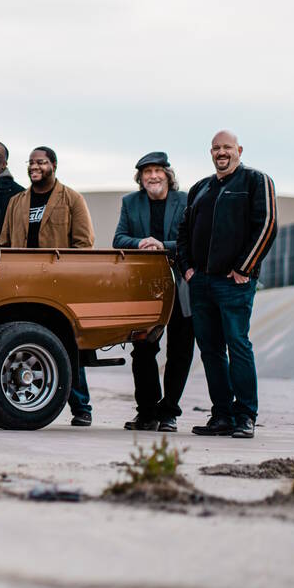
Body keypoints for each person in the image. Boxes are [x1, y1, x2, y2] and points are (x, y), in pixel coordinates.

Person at [177, 131, 277, 439]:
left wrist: (243, 268)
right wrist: (188, 270)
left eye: (227, 148)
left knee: (238, 344)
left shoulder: (256, 181)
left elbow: (267, 225)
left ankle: (245, 415)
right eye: (217, 148)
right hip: (201, 283)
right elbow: (183, 233)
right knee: (210, 350)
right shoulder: (200, 188)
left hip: (234, 282)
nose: (222, 152)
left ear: (239, 150)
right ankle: (221, 415)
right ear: (211, 152)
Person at [0, 146, 96, 425]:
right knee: (27, 342)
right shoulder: (17, 201)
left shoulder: (72, 199)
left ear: (53, 165)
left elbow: (83, 244)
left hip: (58, 285)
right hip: (20, 284)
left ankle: (81, 407)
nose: (34, 167)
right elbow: (4, 243)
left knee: (66, 345)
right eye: (30, 162)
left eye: (40, 162)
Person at [113, 152, 194, 432]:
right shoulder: (130, 202)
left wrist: (164, 245)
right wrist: (142, 243)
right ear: (141, 178)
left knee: (180, 349)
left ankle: (169, 412)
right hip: (146, 286)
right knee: (144, 349)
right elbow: (118, 239)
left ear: (168, 174)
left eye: (158, 171)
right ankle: (147, 413)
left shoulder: (185, 201)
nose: (153, 176)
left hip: (182, 282)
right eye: (147, 172)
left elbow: (193, 240)